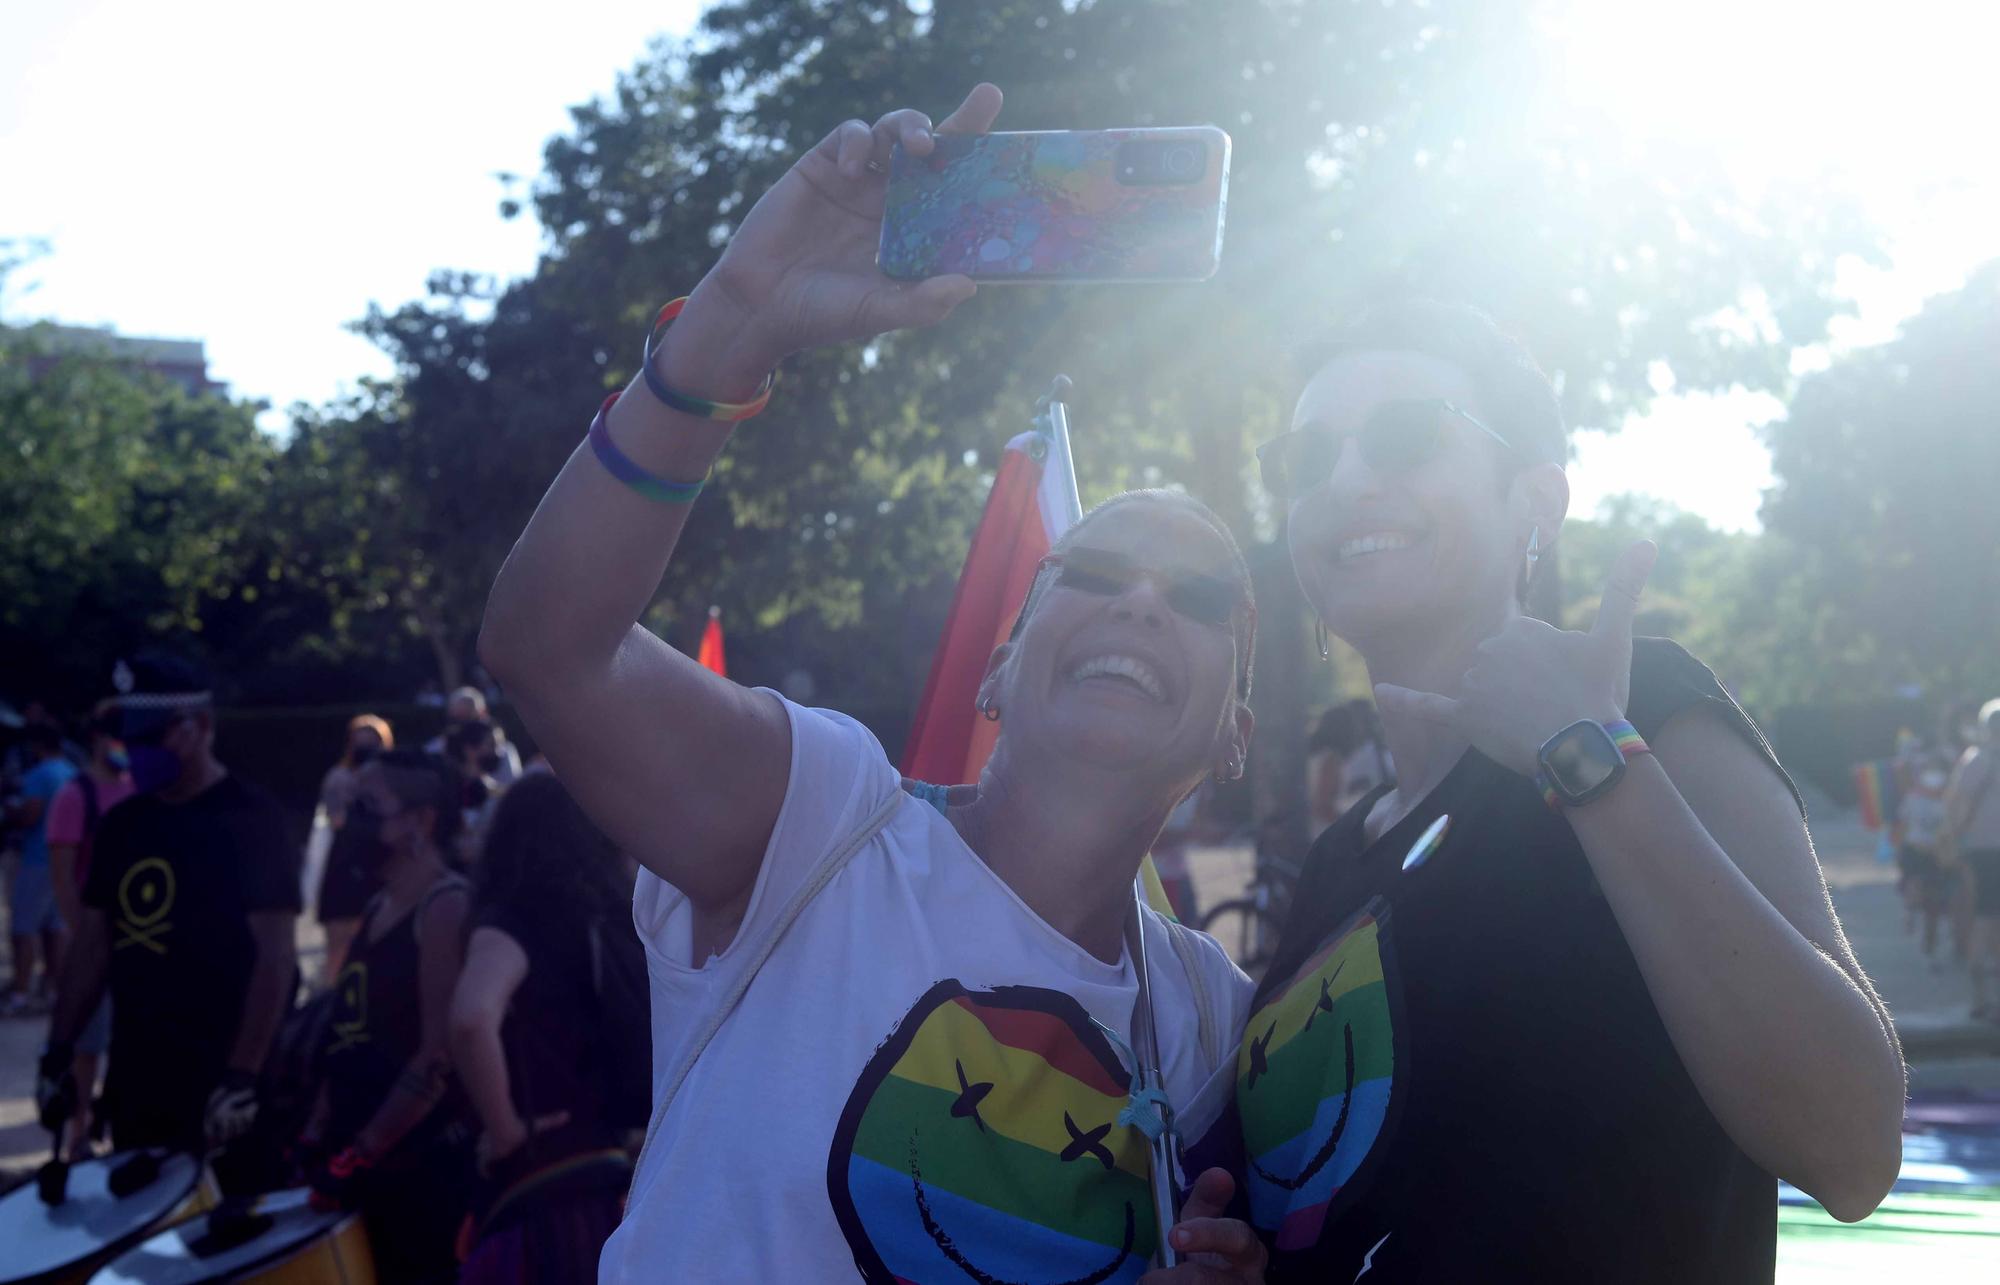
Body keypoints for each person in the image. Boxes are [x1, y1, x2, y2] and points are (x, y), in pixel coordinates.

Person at [479, 84, 1267, 1282]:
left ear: (1233, 736)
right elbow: (551, 647)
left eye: (1202, 599)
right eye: (1093, 570)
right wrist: (733, 323)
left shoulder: (1211, 1019)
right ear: (1002, 662)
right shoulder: (822, 827)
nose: (1142, 602)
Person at [1239, 301, 1904, 1280]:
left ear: (1534, 505)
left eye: (1403, 438)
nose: (1343, 481)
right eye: (1302, 460)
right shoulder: (1335, 864)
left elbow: (1849, 1148)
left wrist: (1583, 755)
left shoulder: (1647, 713)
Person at [38, 654, 300, 1174]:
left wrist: (242, 1076)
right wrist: (59, 1052)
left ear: (201, 726)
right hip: (140, 1079)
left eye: (151, 737)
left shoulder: (255, 820)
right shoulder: (123, 826)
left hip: (226, 1084)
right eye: (129, 740)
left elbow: (276, 960)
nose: (136, 753)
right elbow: (93, 946)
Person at [450, 773, 649, 1281]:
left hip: (545, 1179)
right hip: (621, 1171)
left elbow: (472, 1018)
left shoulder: (514, 920)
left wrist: (505, 1131)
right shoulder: (616, 920)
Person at [303, 749, 472, 1282]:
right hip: (360, 1166)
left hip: (415, 1173)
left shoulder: (445, 906)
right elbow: (349, 1027)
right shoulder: (379, 904)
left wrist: (360, 1152)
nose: (353, 817)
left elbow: (436, 1055)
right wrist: (316, 1131)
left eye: (370, 805)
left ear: (421, 821)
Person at [42, 703, 133, 1154]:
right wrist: (87, 942)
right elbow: (62, 877)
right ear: (97, 738)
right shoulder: (74, 796)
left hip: (135, 941)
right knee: (86, 1045)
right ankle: (77, 1135)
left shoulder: (139, 791)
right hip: (92, 941)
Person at [315, 714, 394, 984]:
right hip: (346, 865)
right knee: (339, 944)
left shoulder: (395, 780)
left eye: (373, 743)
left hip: (383, 866)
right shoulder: (339, 777)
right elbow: (337, 820)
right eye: (360, 744)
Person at [5, 723, 77, 1014]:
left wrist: (12, 812)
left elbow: (31, 814)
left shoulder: (39, 775)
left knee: (24, 927)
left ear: (37, 746)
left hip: (36, 858)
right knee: (56, 928)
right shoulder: (72, 772)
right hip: (64, 860)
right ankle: (54, 990)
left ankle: (21, 993)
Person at [1946, 699, 2000, 1020]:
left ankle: (1981, 998)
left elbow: (1956, 805)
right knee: (1988, 920)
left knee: (1983, 917)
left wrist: (1953, 840)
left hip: (1979, 850)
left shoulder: (1975, 760)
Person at [425, 687, 522, 786]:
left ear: (483, 715)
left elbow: (513, 789)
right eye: (458, 719)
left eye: (471, 718)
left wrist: (483, 781)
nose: (465, 726)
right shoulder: (437, 749)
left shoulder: (502, 751)